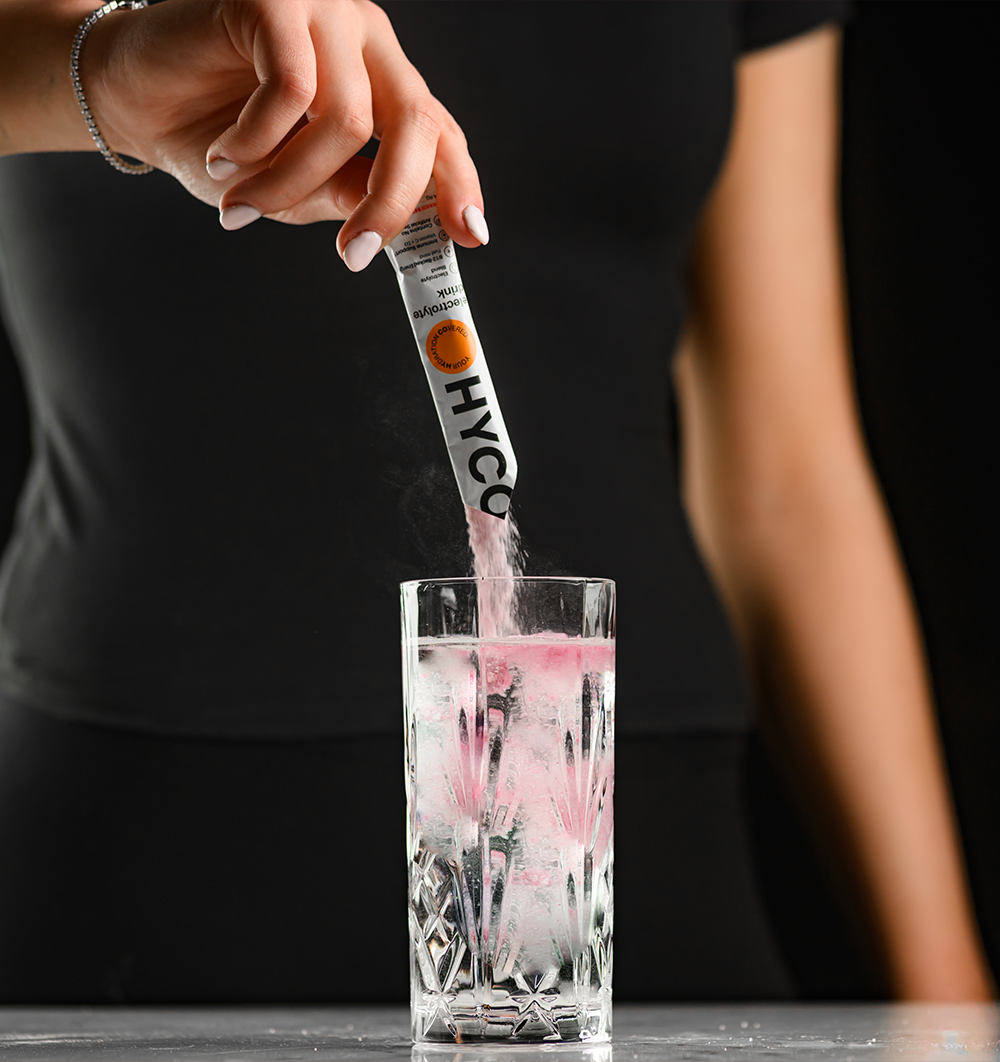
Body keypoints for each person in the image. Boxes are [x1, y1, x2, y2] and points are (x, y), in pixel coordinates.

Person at [0, 0, 993, 1003]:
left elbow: (786, 479)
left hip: (630, 850)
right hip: (136, 843)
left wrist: (946, 993)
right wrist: (104, 70)